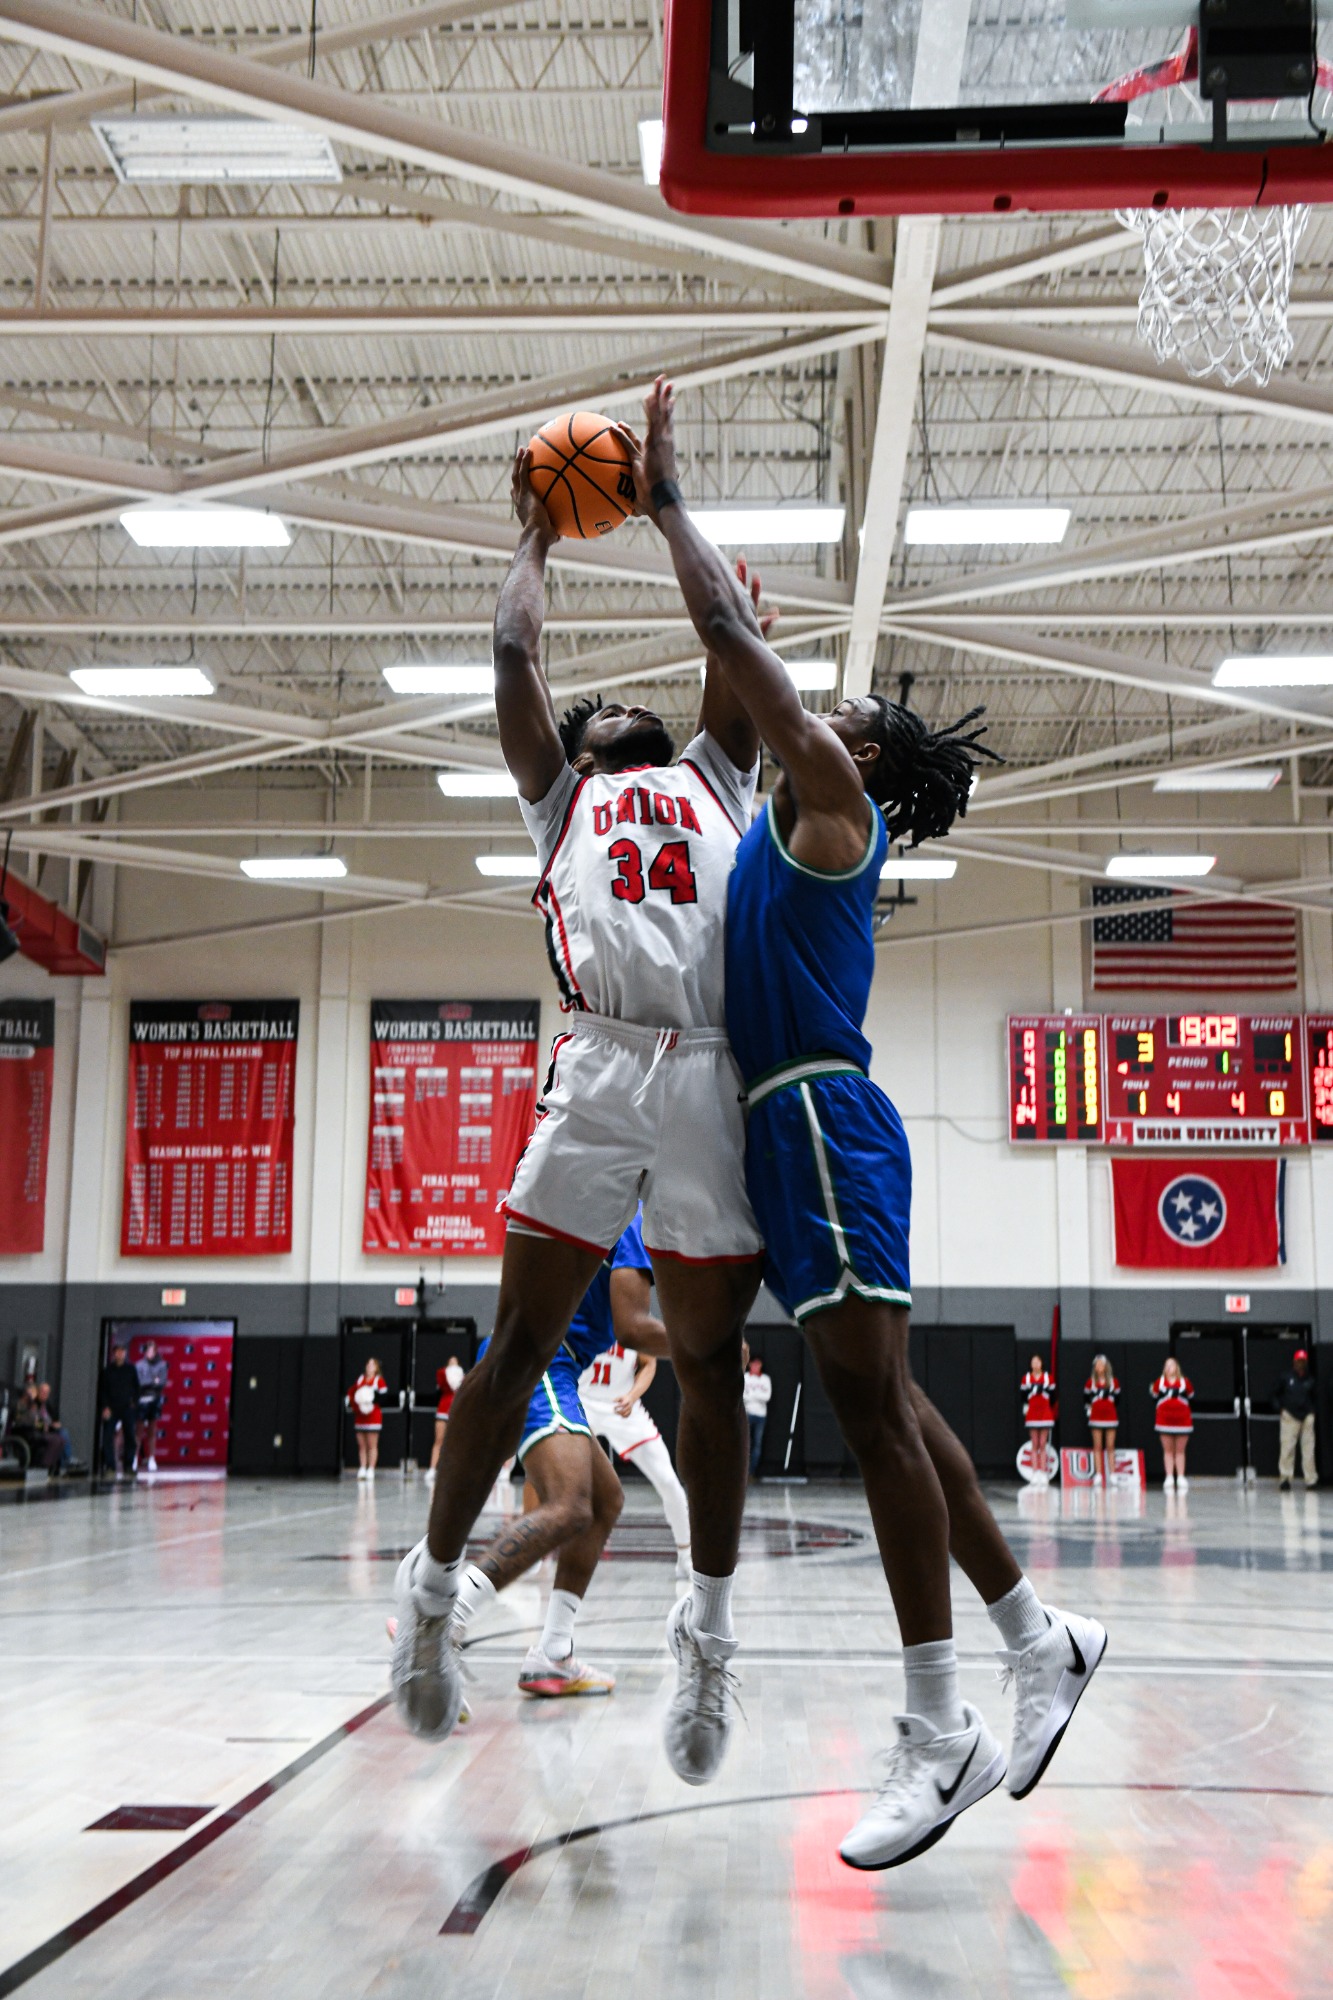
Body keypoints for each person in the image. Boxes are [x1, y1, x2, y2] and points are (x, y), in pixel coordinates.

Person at [634, 373, 1107, 1868]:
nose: (821, 707)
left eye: (841, 711)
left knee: (874, 1418)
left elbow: (742, 662)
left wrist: (669, 505)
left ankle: (939, 1724)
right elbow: (729, 692)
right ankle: (1038, 1638)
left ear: (872, 756)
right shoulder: (778, 822)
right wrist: (724, 647)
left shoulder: (836, 796)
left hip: (822, 1122)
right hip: (777, 1127)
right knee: (890, 1407)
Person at [391, 445, 767, 1786]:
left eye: (624, 707)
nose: (612, 710)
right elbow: (513, 655)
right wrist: (537, 534)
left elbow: (726, 634)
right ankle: (431, 1594)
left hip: (708, 1067)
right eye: (593, 710)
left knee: (711, 1366)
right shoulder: (563, 802)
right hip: (603, 1062)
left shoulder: (718, 778)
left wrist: (668, 505)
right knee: (516, 1346)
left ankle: (705, 1632)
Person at [448, 1216, 681, 1696]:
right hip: (546, 1361)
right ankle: (442, 1618)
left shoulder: (593, 1207)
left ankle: (553, 1652)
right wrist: (712, 1347)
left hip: (538, 1358)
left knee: (605, 1499)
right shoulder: (634, 1220)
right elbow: (632, 1329)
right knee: (571, 1505)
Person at [578, 1211, 693, 1581]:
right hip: (582, 1402)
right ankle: (543, 1553)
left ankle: (686, 1555)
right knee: (556, 1481)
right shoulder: (591, 1315)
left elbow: (648, 1366)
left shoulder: (635, 1323)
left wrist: (632, 1395)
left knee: (668, 1482)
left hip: (621, 1406)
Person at [1277, 1348, 1317, 1491]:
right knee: (1287, 1448)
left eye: (1303, 1361)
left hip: (1306, 1417)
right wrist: (1280, 1408)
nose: (1301, 1364)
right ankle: (1285, 1478)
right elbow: (1274, 1394)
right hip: (1290, 1417)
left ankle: (1311, 1479)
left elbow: (1315, 1397)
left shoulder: (1310, 1380)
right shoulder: (1286, 1377)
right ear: (1294, 1362)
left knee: (1309, 1450)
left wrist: (1312, 1412)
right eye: (1298, 1361)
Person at [1151, 1356, 1193, 1491]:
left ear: (1177, 1367)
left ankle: (1180, 1476)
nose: (1169, 1368)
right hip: (1165, 1421)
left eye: (1172, 1365)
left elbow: (1191, 1396)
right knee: (1168, 1450)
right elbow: (1154, 1396)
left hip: (1182, 1421)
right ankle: (1169, 1476)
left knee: (1180, 1451)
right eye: (1167, 1365)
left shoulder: (1185, 1382)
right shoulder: (1159, 1383)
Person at [99, 1341, 140, 1478]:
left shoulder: (131, 1369)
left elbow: (137, 1388)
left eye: (123, 1351)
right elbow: (103, 1390)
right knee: (108, 1437)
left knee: (130, 1437)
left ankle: (128, 1465)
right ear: (114, 1353)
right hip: (111, 1408)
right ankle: (110, 1466)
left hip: (127, 1408)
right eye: (118, 1351)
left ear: (125, 1353)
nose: (120, 1354)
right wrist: (105, 1407)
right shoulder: (107, 1371)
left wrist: (134, 1402)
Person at [426, 1355, 465, 1488]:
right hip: (443, 1409)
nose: (453, 1362)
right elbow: (441, 1387)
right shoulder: (442, 1373)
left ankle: (454, 1471)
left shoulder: (463, 1377)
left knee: (456, 1442)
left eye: (455, 1361)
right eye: (451, 1361)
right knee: (439, 1440)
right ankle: (432, 1469)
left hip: (457, 1409)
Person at [1084, 1356, 1121, 1487]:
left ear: (1106, 1366)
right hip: (1096, 1417)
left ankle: (1113, 1474)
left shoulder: (1114, 1382)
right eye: (1097, 1364)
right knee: (1097, 1446)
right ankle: (1098, 1474)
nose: (1099, 1366)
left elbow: (1117, 1400)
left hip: (1110, 1417)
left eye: (1102, 1364)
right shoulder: (1090, 1382)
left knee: (1110, 1445)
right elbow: (1086, 1399)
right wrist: (1090, 1411)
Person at [348, 1359, 388, 1481]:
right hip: (361, 1416)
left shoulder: (378, 1381)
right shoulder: (360, 1379)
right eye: (368, 1364)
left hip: (373, 1416)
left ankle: (371, 1468)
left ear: (376, 1368)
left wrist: (370, 1399)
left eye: (372, 1365)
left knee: (372, 1444)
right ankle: (362, 1467)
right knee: (362, 1444)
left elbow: (383, 1397)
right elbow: (353, 1393)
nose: (369, 1367)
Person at [1020, 1355, 1057, 1483]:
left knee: (1042, 1444)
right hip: (1032, 1414)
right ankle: (1035, 1472)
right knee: (1035, 1443)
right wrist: (1027, 1407)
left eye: (1037, 1362)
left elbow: (1053, 1397)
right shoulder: (1026, 1378)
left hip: (1045, 1414)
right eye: (1033, 1362)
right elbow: (1023, 1396)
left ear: (1041, 1363)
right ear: (1030, 1364)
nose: (1035, 1364)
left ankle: (1043, 1472)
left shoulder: (1048, 1378)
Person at [135, 1338, 169, 1473]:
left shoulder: (162, 1365)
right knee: (138, 1431)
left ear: (156, 1351)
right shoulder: (139, 1365)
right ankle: (134, 1458)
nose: (150, 1353)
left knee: (152, 1431)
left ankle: (152, 1458)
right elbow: (139, 1383)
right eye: (148, 1350)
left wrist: (151, 1383)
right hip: (141, 1400)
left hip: (155, 1400)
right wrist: (153, 1381)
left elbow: (162, 1383)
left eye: (152, 1351)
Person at [742, 1353, 771, 1479]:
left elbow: (767, 1397)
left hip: (761, 1416)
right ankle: (743, 1471)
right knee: (745, 1443)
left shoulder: (765, 1379)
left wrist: (752, 1395)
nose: (755, 1366)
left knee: (757, 1444)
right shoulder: (745, 1378)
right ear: (750, 1365)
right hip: (747, 1414)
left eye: (758, 1364)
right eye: (753, 1364)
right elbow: (742, 1396)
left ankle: (751, 1472)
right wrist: (756, 1395)